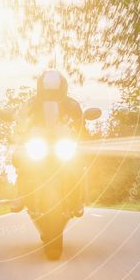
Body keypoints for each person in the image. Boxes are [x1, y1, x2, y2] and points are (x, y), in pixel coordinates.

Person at [10, 70, 85, 215]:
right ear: (41, 89)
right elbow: (21, 118)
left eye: (55, 92)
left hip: (62, 142)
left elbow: (81, 124)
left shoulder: (72, 104)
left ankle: (76, 200)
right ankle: (20, 194)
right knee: (20, 158)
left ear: (62, 90)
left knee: (78, 161)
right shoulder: (31, 103)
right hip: (38, 142)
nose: (51, 95)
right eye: (48, 92)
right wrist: (18, 126)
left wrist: (82, 134)